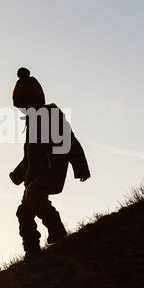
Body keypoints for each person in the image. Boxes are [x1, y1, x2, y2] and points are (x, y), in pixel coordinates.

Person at [9, 67, 90, 260]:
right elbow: (30, 157)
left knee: (35, 193)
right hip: (33, 177)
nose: (24, 110)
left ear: (36, 100)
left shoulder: (51, 115)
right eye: (21, 107)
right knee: (23, 212)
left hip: (51, 171)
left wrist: (80, 167)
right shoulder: (31, 123)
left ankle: (57, 230)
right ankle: (32, 250)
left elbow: (70, 141)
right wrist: (18, 174)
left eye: (25, 105)